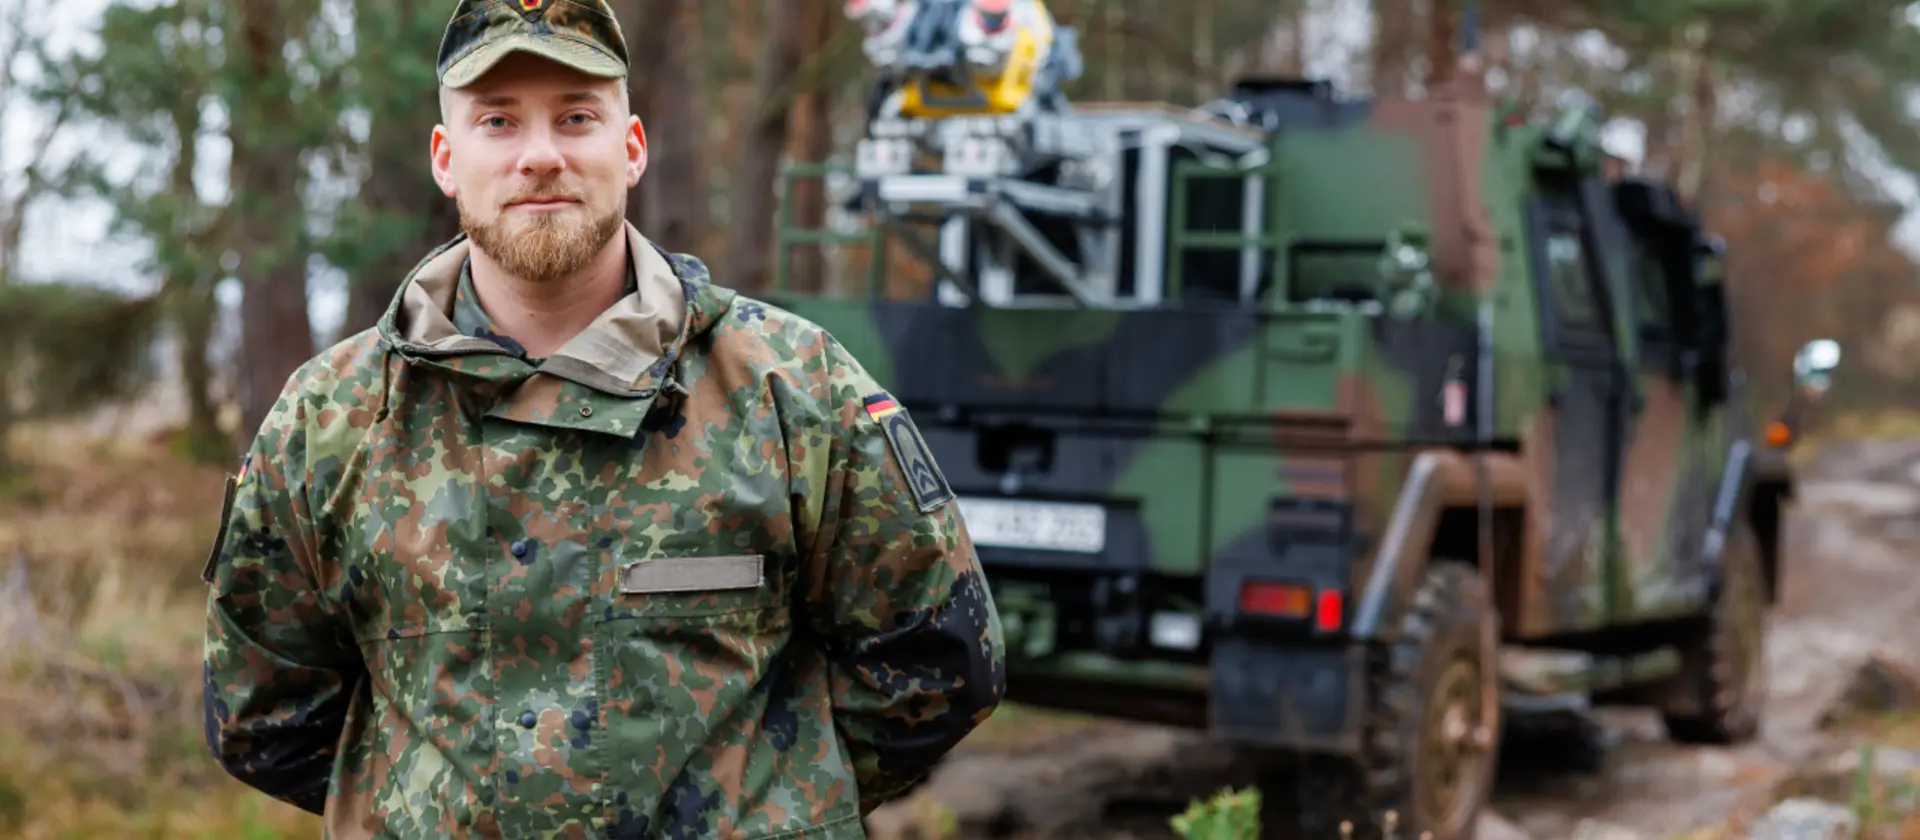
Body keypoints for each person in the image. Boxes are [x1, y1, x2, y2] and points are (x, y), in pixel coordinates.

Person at [198, 0, 1006, 836]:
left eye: (577, 117)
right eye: (498, 122)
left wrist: (770, 804)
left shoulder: (792, 389)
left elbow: (939, 665)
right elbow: (264, 715)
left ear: (632, 148)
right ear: (447, 158)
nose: (540, 156)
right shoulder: (332, 420)